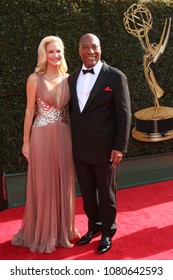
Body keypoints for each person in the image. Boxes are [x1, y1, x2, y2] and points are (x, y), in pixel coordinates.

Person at [11, 35, 79, 253]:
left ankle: (62, 230)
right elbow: (29, 111)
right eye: (51, 51)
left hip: (64, 135)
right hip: (40, 136)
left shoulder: (70, 78)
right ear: (44, 54)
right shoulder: (34, 79)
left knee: (64, 181)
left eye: (58, 51)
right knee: (44, 182)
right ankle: (44, 232)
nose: (55, 55)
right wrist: (26, 142)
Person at [68, 33, 131, 254]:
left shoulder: (115, 77)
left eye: (94, 47)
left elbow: (124, 114)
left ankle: (107, 232)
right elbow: (74, 113)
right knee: (86, 194)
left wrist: (120, 146)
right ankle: (93, 226)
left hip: (106, 150)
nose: (91, 51)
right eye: (86, 47)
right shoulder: (72, 78)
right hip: (80, 149)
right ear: (79, 50)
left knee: (106, 194)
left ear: (100, 48)